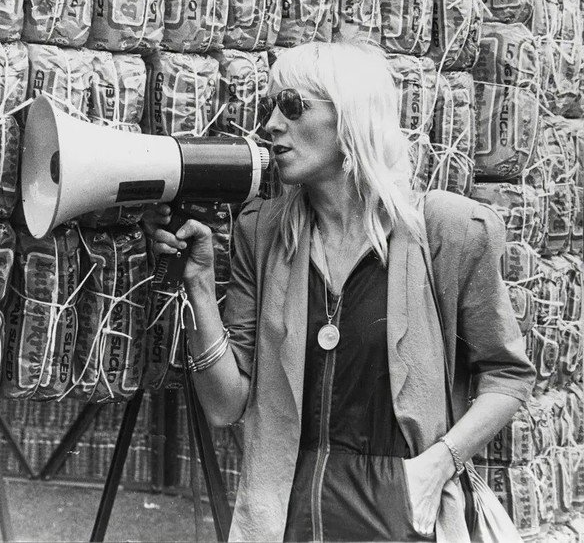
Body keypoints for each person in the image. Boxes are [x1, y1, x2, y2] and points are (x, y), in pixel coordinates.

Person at [145, 40, 535, 542]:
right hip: (286, 513)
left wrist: (437, 467)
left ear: (350, 118)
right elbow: (226, 405)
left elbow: (507, 378)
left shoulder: (446, 230)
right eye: (272, 107)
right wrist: (197, 284)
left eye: (293, 106)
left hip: (399, 514)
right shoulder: (260, 231)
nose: (270, 126)